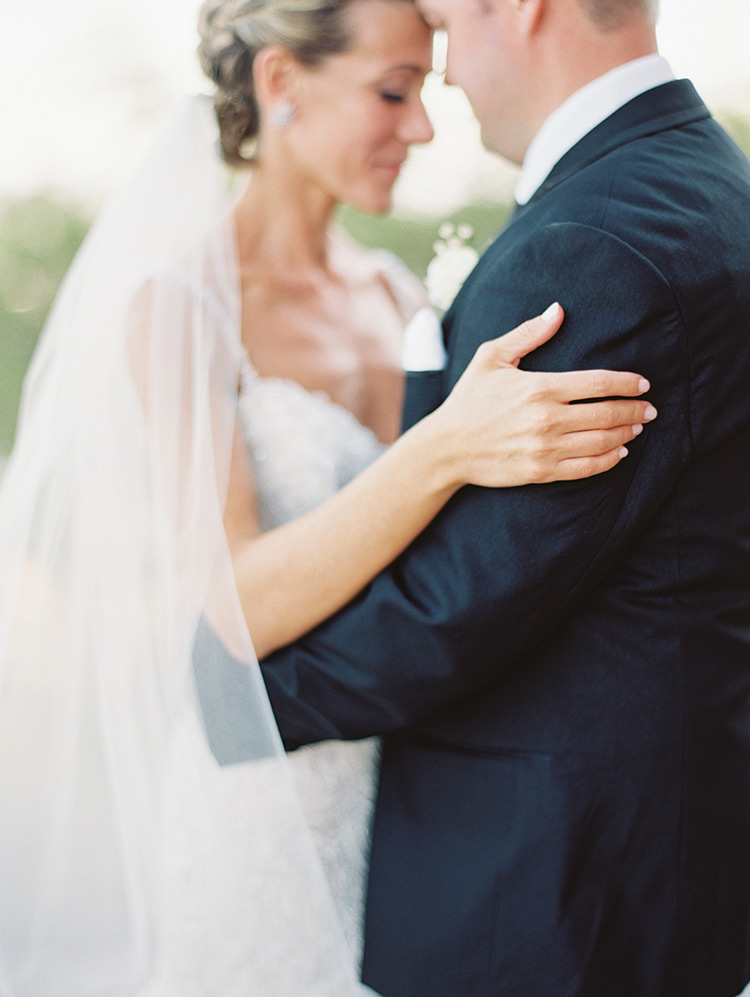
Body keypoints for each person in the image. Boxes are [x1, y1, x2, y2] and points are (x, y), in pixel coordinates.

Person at [0, 0, 653, 992]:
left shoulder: (396, 296)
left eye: (426, 92)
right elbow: (234, 603)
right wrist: (442, 447)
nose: (424, 128)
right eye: (391, 93)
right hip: (260, 808)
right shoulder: (182, 305)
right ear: (281, 83)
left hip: (417, 796)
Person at [257, 0, 750, 994]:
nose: (440, 79)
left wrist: (218, 702)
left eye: (441, 24)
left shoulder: (602, 243)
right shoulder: (705, 185)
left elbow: (462, 600)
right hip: (642, 859)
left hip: (550, 892)